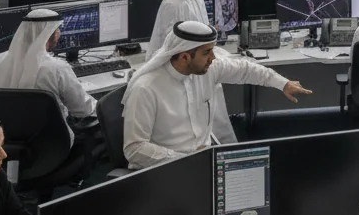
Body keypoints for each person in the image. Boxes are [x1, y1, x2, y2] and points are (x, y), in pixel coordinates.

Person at [122, 20, 312, 168]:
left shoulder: (209, 68)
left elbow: (247, 70)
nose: (213, 58)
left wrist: (283, 84)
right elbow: (135, 149)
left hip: (207, 160)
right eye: (207, 52)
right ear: (185, 57)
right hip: (168, 168)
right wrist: (187, 159)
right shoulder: (146, 89)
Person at [0, 8, 97, 146]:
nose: (59, 33)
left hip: (6, 144)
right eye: (57, 29)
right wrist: (102, 104)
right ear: (50, 34)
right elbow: (83, 110)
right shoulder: (57, 68)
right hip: (53, 145)